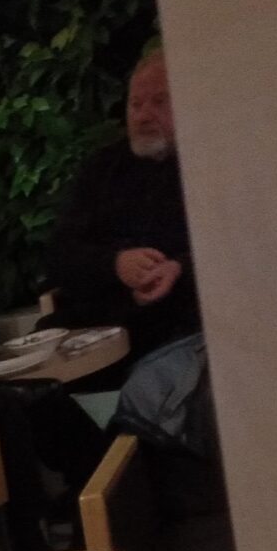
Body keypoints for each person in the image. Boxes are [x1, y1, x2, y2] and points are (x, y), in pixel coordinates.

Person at [49, 47, 198, 355]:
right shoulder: (101, 169)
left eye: (159, 101)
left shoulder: (206, 165)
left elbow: (230, 249)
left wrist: (178, 268)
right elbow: (60, 255)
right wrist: (115, 264)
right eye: (135, 104)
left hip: (178, 327)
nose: (143, 116)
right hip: (96, 325)